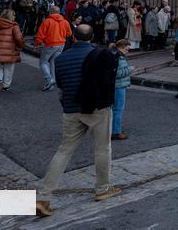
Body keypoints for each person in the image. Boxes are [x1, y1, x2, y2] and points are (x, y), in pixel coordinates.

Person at [36, 25, 121, 217]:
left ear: (73, 37)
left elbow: (61, 85)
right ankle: (102, 188)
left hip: (72, 108)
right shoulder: (101, 55)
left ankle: (43, 196)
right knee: (102, 149)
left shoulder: (61, 59)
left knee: (64, 151)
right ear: (91, 38)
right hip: (98, 108)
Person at [0, 9, 24, 92]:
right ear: (11, 16)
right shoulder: (14, 26)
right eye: (14, 15)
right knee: (8, 68)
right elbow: (18, 38)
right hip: (10, 51)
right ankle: (6, 85)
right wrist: (20, 46)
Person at [35, 5, 72, 91]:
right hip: (61, 44)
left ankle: (49, 79)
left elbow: (40, 34)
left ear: (51, 11)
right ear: (59, 12)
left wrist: (37, 44)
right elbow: (69, 34)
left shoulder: (47, 21)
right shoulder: (65, 22)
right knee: (53, 62)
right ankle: (53, 80)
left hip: (50, 44)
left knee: (43, 62)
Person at [111, 40, 131, 140]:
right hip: (119, 86)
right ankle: (115, 131)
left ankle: (112, 130)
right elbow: (117, 73)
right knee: (118, 109)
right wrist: (130, 69)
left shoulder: (113, 54)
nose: (128, 52)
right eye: (127, 49)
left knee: (113, 109)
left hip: (114, 86)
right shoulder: (119, 57)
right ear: (121, 48)